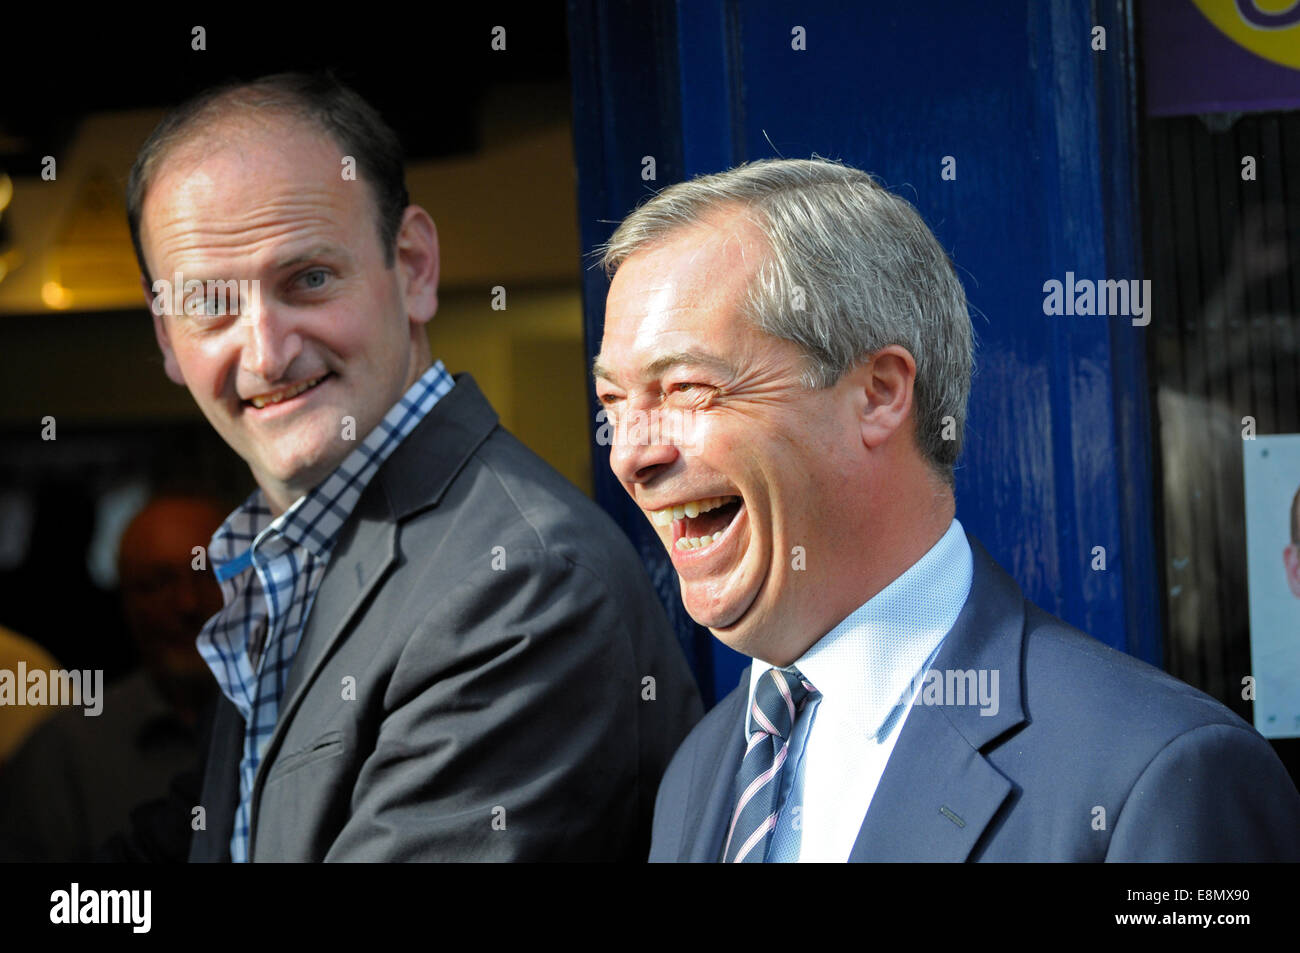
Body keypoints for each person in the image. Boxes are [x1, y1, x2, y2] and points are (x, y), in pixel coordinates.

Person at [592, 157, 1300, 861]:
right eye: (614, 403)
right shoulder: (700, 772)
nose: (630, 454)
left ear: (877, 393)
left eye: (685, 387)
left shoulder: (1161, 777)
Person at [124, 72, 701, 862]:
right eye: (210, 304)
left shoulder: (523, 585)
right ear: (166, 337)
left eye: (309, 279)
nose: (265, 351)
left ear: (415, 265)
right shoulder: (289, 555)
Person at [0, 495, 223, 861]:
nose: (187, 603)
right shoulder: (62, 751)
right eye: (157, 583)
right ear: (124, 601)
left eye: (210, 575)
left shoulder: (294, 722)